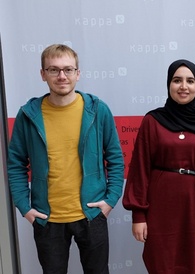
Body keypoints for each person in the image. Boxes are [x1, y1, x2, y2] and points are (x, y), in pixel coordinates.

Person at [7, 44, 125, 274]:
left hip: (92, 215)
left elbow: (116, 159)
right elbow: (15, 164)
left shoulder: (98, 110)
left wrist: (110, 201)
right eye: (53, 70)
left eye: (68, 69)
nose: (62, 76)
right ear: (43, 74)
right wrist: (25, 207)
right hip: (47, 218)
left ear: (77, 73)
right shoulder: (28, 114)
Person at [122, 59, 195, 274]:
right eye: (177, 80)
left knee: (192, 264)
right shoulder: (153, 121)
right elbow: (139, 169)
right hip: (159, 208)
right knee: (160, 263)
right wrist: (139, 216)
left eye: (190, 81)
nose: (183, 86)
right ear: (168, 84)